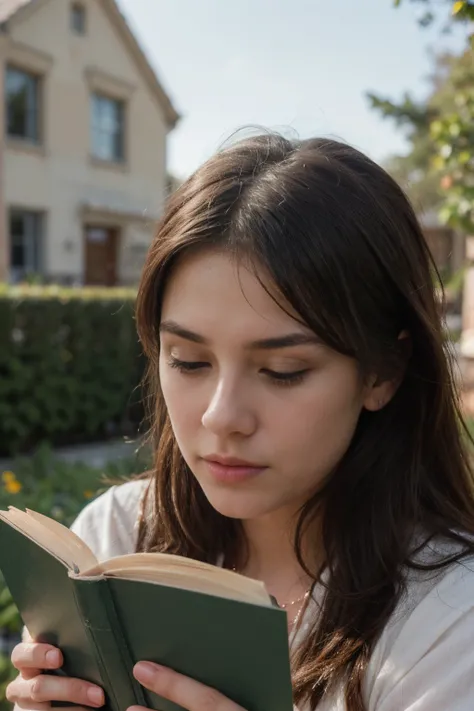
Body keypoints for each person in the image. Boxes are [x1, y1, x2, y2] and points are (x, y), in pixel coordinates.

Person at [7, 132, 474, 711]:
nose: (222, 416)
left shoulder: (449, 625)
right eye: (189, 360)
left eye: (283, 370)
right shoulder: (115, 540)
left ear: (382, 372)